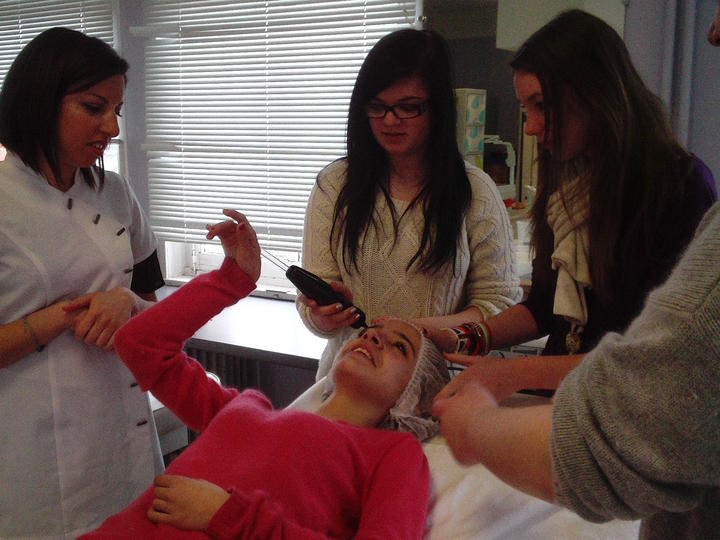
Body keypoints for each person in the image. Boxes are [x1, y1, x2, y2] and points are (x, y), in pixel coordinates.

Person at [83, 209, 450, 538]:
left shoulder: (393, 453)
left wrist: (228, 515)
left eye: (400, 346)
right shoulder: (244, 408)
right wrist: (232, 279)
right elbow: (140, 343)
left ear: (413, 398)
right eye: (373, 331)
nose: (373, 337)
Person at [430, 10, 716, 396]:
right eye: (526, 109)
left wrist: (514, 373)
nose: (531, 126)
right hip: (562, 402)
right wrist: (462, 337)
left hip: (619, 410)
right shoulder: (566, 188)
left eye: (542, 106)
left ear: (596, 94)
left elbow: (654, 355)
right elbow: (543, 308)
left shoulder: (679, 186)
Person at [432, 194, 720, 538]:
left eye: (401, 345)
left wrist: (476, 424)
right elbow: (543, 306)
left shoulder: (680, 194)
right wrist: (465, 337)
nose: (535, 136)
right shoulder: (565, 196)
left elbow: (617, 430)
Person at [0, 28, 165, 537]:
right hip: (32, 451)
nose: (111, 127)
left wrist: (127, 303)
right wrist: (61, 317)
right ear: (40, 101)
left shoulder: (116, 193)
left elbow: (154, 307)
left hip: (123, 429)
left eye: (117, 110)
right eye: (94, 107)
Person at [297, 28, 522, 380]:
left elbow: (498, 305)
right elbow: (313, 303)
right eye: (377, 107)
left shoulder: (475, 192)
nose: (390, 120)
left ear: (437, 108)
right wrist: (322, 317)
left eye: (408, 107)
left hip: (435, 385)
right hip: (347, 383)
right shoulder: (335, 185)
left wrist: (415, 332)